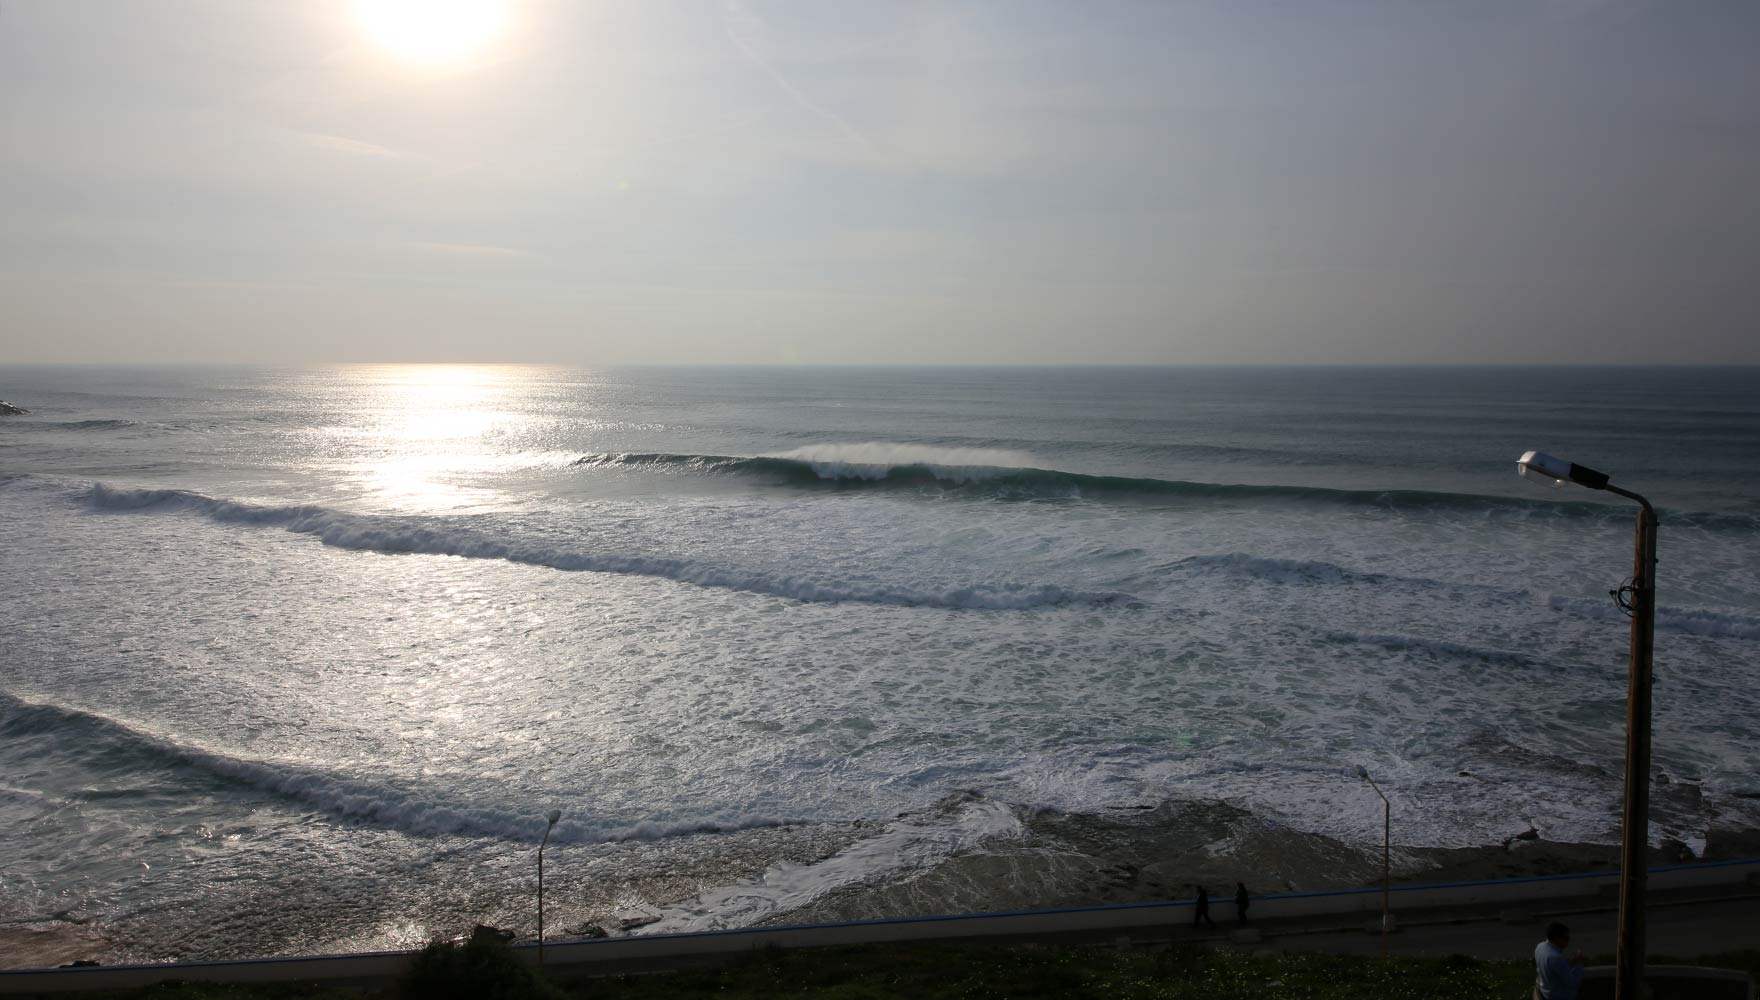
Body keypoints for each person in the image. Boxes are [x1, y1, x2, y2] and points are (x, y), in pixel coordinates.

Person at [1534, 921, 1585, 1000]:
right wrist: (1579, 964)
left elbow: (1551, 969)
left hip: (1546, 991)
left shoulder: (1540, 947)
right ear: (1557, 939)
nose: (1568, 941)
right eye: (1566, 938)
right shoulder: (1556, 958)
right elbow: (1573, 983)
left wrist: (1571, 962)